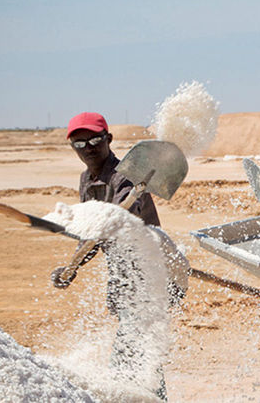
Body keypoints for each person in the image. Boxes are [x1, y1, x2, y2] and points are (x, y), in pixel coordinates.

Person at [55, 112, 189, 400]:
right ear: (72, 148)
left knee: (130, 347)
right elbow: (91, 231)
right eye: (80, 144)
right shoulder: (86, 180)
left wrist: (111, 220)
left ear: (108, 139)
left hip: (151, 271)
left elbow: (123, 214)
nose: (88, 148)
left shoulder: (128, 176)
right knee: (140, 346)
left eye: (94, 140)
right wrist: (71, 267)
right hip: (123, 274)